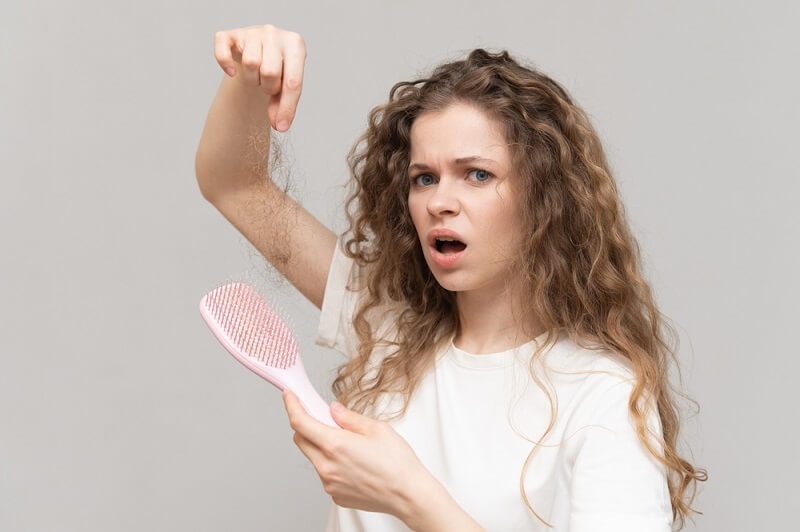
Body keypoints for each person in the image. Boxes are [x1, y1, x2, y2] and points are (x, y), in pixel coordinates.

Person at [196, 24, 705, 532]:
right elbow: (236, 186)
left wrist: (410, 496)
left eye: (477, 174)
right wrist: (250, 77)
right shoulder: (385, 324)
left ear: (545, 198)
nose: (439, 201)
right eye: (424, 178)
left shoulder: (602, 393)